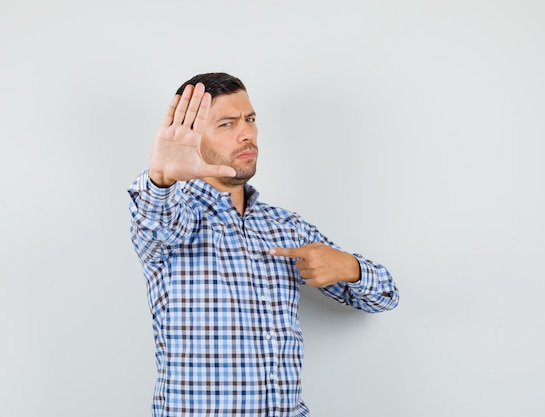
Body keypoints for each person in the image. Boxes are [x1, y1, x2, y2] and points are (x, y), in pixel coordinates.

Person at [128, 72, 399, 417]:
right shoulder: (176, 220)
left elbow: (385, 296)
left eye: (250, 120)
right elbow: (154, 222)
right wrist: (161, 177)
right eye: (227, 124)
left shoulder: (285, 227)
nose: (247, 134)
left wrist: (351, 267)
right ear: (193, 137)